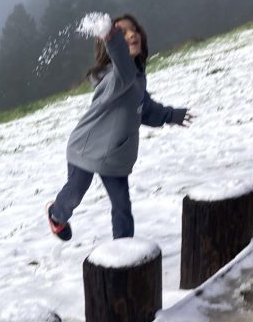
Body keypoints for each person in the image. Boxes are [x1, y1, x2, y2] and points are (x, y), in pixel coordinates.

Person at [46, 14, 192, 242]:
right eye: (123, 32)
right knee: (74, 194)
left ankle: (123, 254)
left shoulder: (136, 78)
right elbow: (123, 65)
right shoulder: (118, 77)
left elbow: (145, 109)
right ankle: (56, 215)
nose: (132, 34)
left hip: (115, 155)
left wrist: (172, 115)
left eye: (134, 29)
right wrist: (109, 35)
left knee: (122, 207)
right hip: (86, 148)